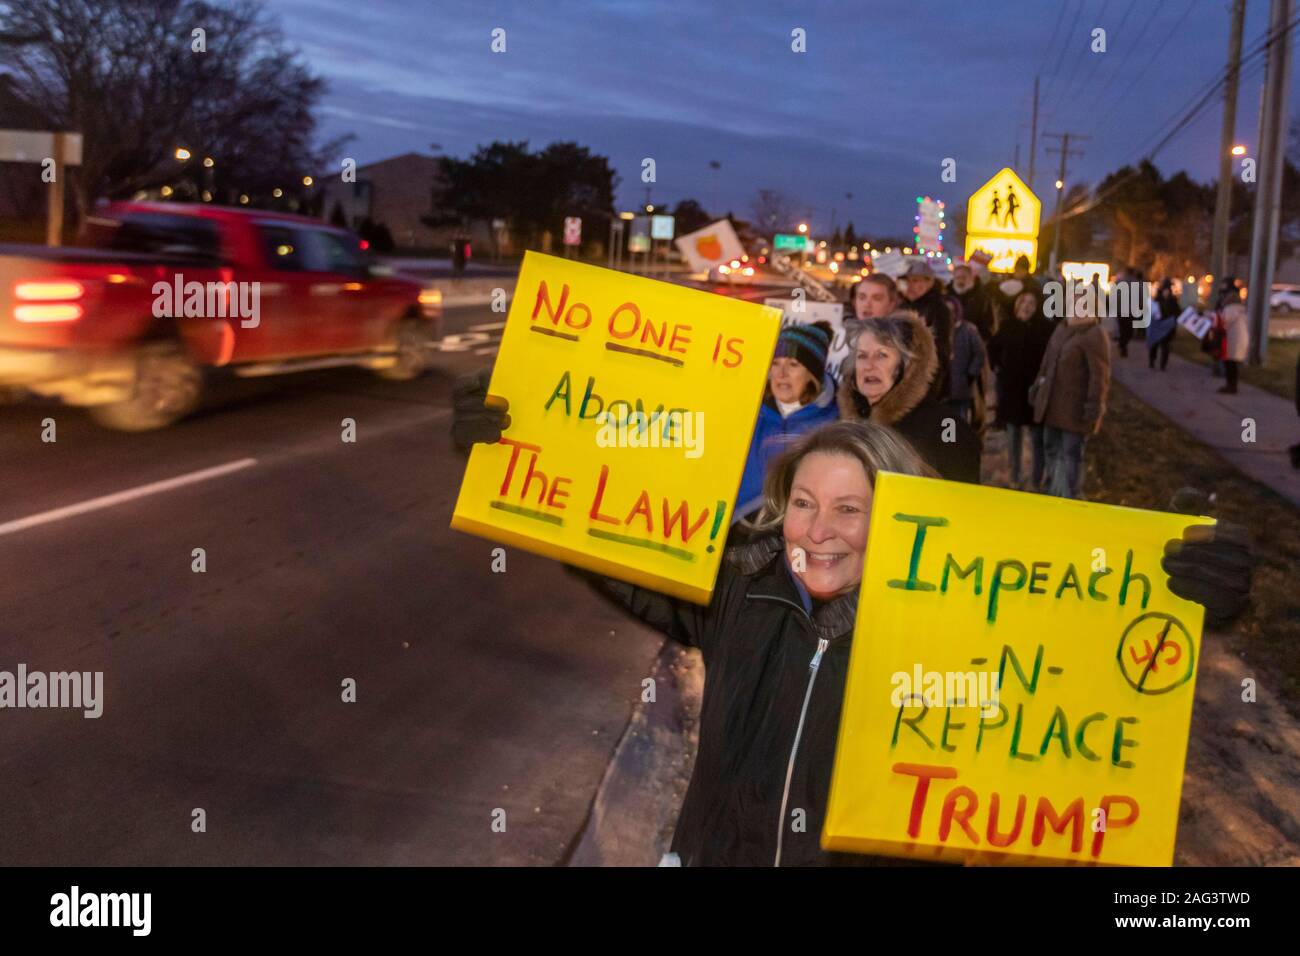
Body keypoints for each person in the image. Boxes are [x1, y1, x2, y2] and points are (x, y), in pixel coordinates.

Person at [450, 387, 1255, 867]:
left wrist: (1182, 589)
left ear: (899, 519)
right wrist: (513, 457)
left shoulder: (958, 624)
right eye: (802, 504)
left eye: (848, 510)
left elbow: (1077, 660)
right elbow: (605, 545)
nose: (817, 531)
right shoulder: (739, 583)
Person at [838, 309, 981, 482]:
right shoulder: (845, 424)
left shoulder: (946, 427)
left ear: (907, 366)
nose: (869, 366)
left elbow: (959, 500)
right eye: (862, 356)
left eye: (882, 355)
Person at [734, 322, 839, 520]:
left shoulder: (835, 423)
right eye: (776, 363)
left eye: (793, 364)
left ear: (812, 375)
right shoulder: (748, 412)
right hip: (737, 530)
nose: (782, 374)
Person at [1030, 286, 1111, 499]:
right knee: (1050, 448)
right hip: (1051, 404)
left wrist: (1094, 406)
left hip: (1075, 409)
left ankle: (1069, 496)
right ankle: (1052, 489)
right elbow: (1047, 363)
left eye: (1083, 303)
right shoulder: (1062, 328)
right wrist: (1037, 387)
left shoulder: (1095, 334)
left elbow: (1099, 375)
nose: (1077, 308)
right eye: (1074, 302)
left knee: (1070, 455)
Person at [989, 290, 1054, 490]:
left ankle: (1037, 479)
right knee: (1013, 436)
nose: (1026, 305)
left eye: (1031, 302)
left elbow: (1050, 357)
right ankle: (1015, 476)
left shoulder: (1043, 329)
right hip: (1011, 391)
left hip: (1034, 392)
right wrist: (998, 367)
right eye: (1022, 301)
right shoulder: (1008, 326)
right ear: (1016, 305)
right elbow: (993, 348)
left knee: (1037, 438)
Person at [900, 261, 955, 400]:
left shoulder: (938, 309)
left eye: (915, 281)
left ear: (929, 282)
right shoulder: (905, 306)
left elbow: (940, 349)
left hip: (924, 382)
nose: (910, 285)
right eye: (908, 281)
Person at [947, 304, 988, 427]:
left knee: (959, 421)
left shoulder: (968, 330)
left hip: (961, 385)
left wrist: (970, 374)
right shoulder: (937, 328)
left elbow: (980, 353)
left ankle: (957, 444)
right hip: (942, 388)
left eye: (952, 310)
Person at [1213, 279, 1249, 395]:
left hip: (1233, 340)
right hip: (1239, 340)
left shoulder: (1230, 309)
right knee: (1232, 364)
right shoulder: (1240, 310)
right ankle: (1232, 385)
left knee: (1230, 364)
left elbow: (1222, 321)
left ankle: (1231, 386)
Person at [950, 263, 996, 342]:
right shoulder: (947, 297)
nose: (961, 281)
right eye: (958, 278)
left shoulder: (982, 299)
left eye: (964, 278)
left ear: (971, 278)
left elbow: (989, 326)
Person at [1147, 279, 1179, 372]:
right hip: (1157, 326)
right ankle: (1152, 361)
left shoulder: (1173, 300)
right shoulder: (1157, 300)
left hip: (1167, 327)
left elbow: (1176, 312)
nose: (1167, 291)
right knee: (1154, 345)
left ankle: (1163, 365)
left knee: (1165, 347)